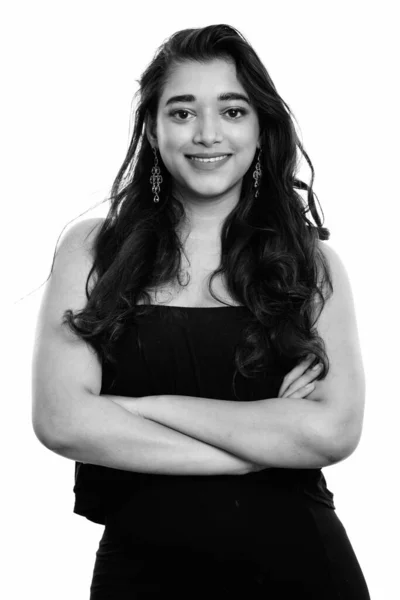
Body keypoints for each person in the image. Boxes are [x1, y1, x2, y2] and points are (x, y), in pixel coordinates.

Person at [31, 24, 370, 599]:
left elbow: (332, 433)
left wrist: (141, 407)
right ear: (153, 127)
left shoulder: (310, 263)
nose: (208, 133)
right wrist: (255, 449)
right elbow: (62, 420)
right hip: (139, 574)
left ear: (261, 128)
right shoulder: (92, 251)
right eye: (183, 112)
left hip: (300, 568)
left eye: (233, 111)